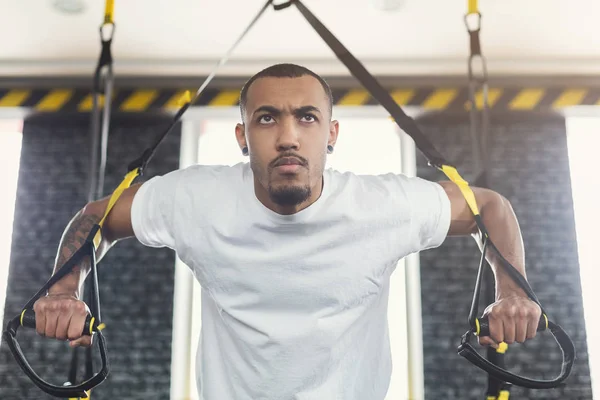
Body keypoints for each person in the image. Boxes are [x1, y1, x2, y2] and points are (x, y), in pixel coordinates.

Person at [33, 63, 541, 399]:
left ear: (332, 135)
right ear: (242, 136)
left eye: (307, 117)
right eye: (267, 118)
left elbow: (487, 207)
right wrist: (62, 292)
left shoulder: (380, 206)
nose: (288, 136)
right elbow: (96, 217)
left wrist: (513, 293)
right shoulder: (196, 199)